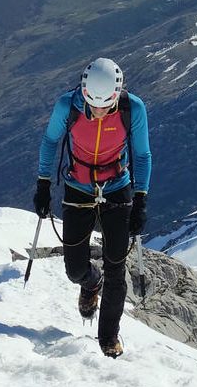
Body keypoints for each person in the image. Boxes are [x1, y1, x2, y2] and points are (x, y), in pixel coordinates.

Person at [34, 57, 152, 358]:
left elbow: (142, 155)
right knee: (74, 268)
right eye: (92, 105)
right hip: (78, 185)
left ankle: (108, 337)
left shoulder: (132, 109)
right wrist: (43, 184)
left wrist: (140, 199)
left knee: (117, 266)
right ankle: (90, 281)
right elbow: (50, 142)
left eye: (105, 106)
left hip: (116, 187)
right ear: (84, 92)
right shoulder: (68, 106)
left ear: (116, 95)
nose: (98, 112)